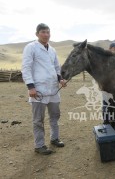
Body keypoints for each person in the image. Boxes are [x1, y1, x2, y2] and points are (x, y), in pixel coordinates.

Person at [22, 23, 67, 155]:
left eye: (48, 32)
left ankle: (54, 138)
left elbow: (56, 67)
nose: (46, 34)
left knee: (55, 116)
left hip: (53, 89)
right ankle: (39, 145)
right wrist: (31, 87)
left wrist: (61, 80)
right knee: (38, 120)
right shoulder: (30, 48)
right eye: (43, 32)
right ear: (37, 34)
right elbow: (26, 67)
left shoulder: (52, 50)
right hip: (38, 89)